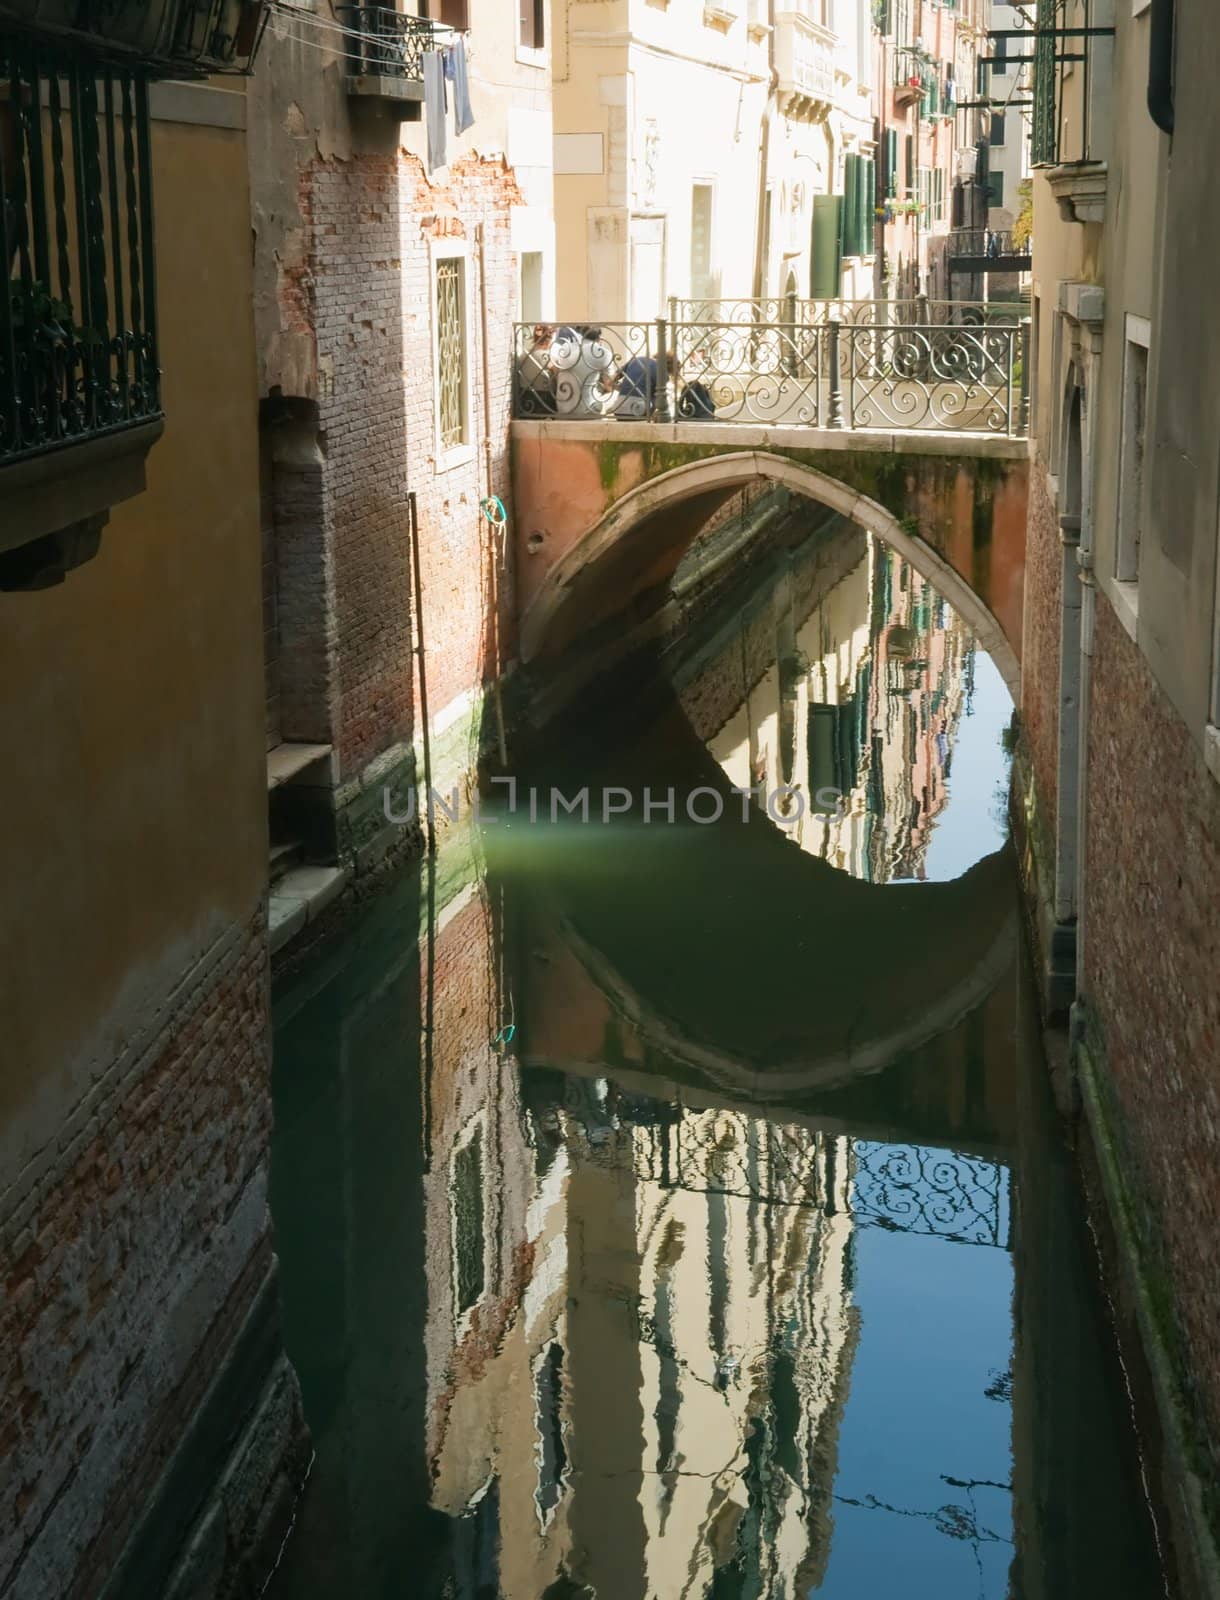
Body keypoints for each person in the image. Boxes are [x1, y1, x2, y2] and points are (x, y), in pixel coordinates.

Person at [516, 323, 556, 416]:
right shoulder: (548, 358)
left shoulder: (523, 355)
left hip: (525, 403)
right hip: (544, 404)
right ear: (550, 339)